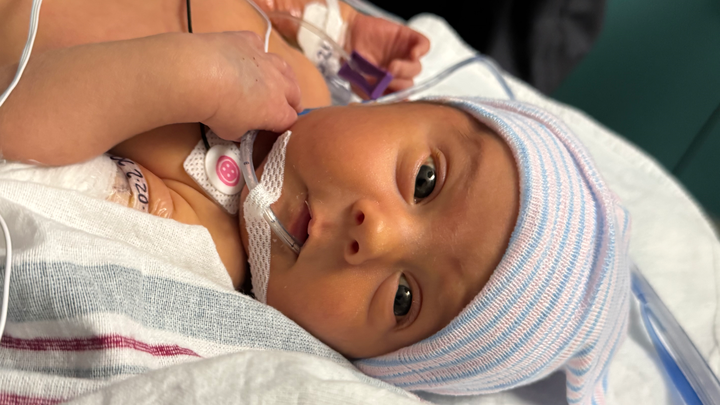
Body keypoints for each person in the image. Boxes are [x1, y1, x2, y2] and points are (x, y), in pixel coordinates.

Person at [0, 1, 630, 403]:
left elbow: (18, 125)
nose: (373, 234)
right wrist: (337, 26)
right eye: (424, 182)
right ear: (399, 107)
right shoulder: (308, 81)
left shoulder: (199, 231)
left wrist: (192, 79)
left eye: (403, 298)